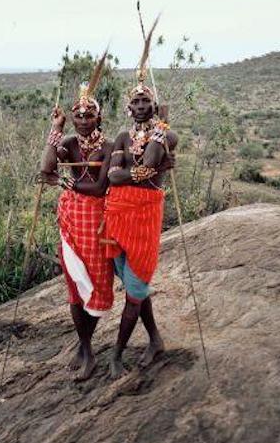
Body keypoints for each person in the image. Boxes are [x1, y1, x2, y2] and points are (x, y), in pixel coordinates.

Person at [101, 32, 177, 379]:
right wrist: (148, 169)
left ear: (153, 104)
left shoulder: (166, 134)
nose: (141, 106)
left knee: (135, 287)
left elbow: (148, 162)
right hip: (117, 213)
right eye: (136, 103)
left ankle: (117, 354)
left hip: (145, 215)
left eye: (147, 101)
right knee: (135, 285)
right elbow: (115, 177)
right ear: (128, 108)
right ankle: (156, 338)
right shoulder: (120, 136)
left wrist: (159, 140)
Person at [39, 53, 113, 381]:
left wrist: (69, 181)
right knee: (73, 286)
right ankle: (86, 349)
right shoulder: (68, 142)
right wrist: (55, 130)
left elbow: (98, 190)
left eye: (88, 115)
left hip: (97, 222)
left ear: (98, 117)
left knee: (96, 283)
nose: (82, 120)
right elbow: (45, 170)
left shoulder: (109, 147)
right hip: (70, 220)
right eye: (77, 115)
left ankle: (86, 345)